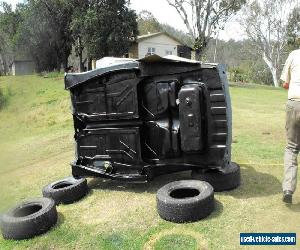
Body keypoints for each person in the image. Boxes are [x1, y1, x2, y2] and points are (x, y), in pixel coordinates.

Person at [280, 35, 300, 203]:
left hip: (294, 103)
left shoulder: (294, 55)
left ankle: (288, 188)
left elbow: (285, 83)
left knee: (291, 148)